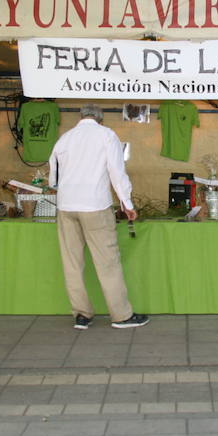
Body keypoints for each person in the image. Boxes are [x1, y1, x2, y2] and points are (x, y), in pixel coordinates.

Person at [49, 104, 148, 330]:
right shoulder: (106, 135)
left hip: (66, 206)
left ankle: (81, 315)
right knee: (107, 263)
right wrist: (127, 204)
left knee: (72, 263)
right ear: (100, 119)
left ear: (81, 117)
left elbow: (53, 177)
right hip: (95, 205)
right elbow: (116, 172)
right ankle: (121, 316)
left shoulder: (65, 138)